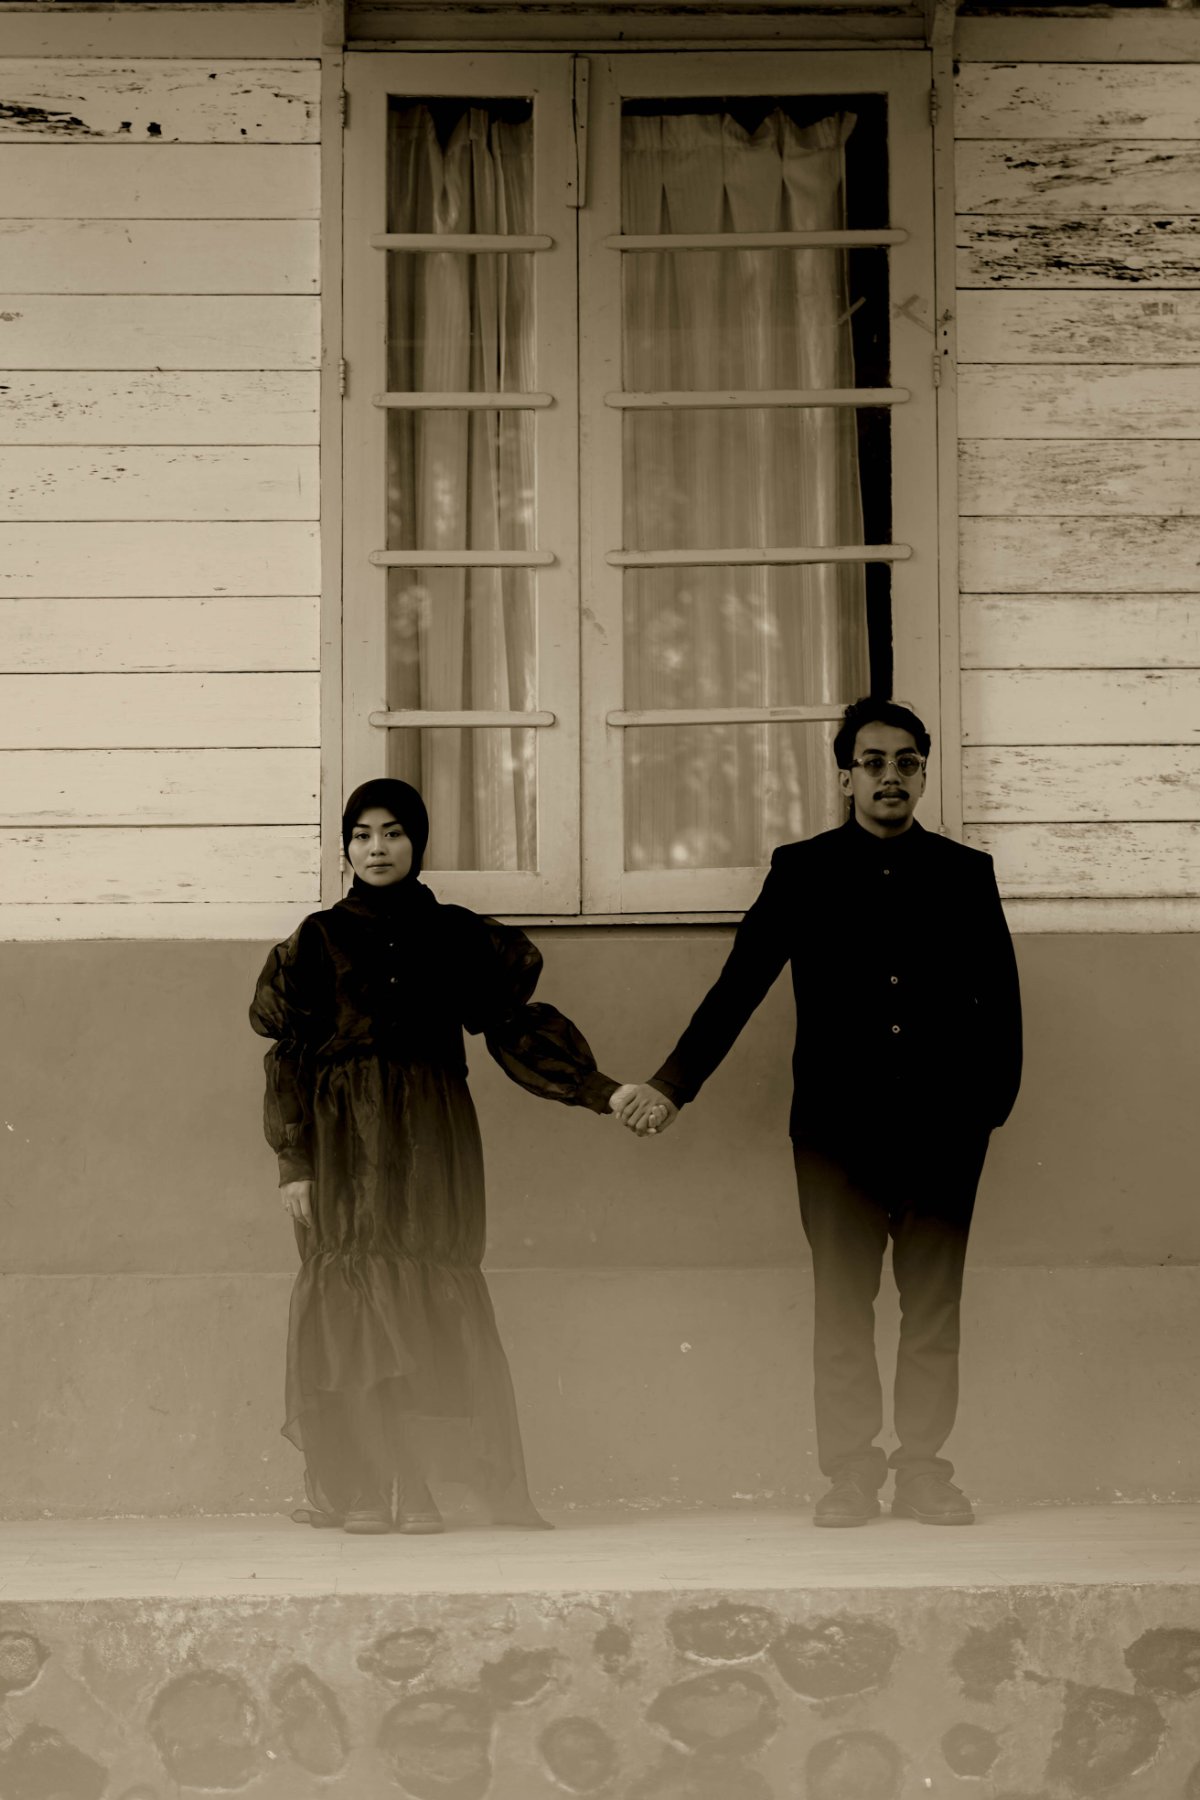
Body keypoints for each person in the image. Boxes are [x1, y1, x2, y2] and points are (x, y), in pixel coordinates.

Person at [616, 698, 1022, 1528]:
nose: (889, 778)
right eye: (872, 763)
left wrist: (984, 1111)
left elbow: (1002, 1003)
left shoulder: (964, 873)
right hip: (836, 1136)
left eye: (906, 763)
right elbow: (738, 987)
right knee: (843, 1307)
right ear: (845, 778)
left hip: (943, 1135)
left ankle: (924, 1473)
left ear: (923, 775)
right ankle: (851, 1474)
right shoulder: (803, 872)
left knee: (932, 1308)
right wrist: (671, 1084)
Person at [250, 778, 623, 1535]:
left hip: (430, 1137)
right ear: (345, 848)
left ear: (418, 843)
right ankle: (372, 1485)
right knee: (357, 1303)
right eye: (361, 835)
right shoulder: (317, 940)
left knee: (422, 1300)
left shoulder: (457, 937)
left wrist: (601, 1090)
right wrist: (295, 1161)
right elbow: (289, 1057)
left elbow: (514, 1027)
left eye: (393, 832)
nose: (376, 848)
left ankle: (415, 1486)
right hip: (343, 1141)